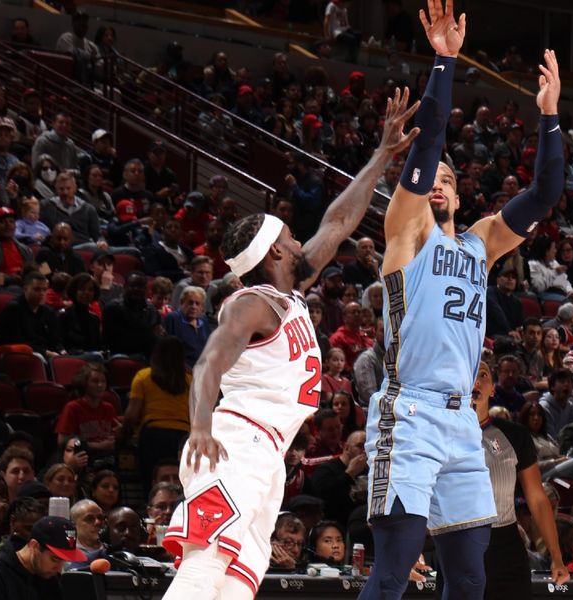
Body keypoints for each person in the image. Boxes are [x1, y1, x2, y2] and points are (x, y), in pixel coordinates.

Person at [159, 84, 420, 600]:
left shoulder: (291, 291)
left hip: (266, 453)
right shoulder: (250, 303)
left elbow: (340, 221)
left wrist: (382, 155)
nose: (302, 240)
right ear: (277, 249)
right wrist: (200, 427)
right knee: (203, 567)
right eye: (292, 237)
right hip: (232, 444)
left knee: (234, 585)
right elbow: (210, 360)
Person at [359, 3, 566, 595]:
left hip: (462, 424)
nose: (440, 185)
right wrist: (445, 61)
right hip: (411, 411)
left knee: (471, 574)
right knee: (395, 564)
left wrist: (549, 115)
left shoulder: (481, 244)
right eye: (434, 181)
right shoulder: (404, 235)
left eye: (451, 179)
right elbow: (425, 157)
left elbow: (546, 191)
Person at [471, 361, 568, 597]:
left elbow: (537, 498)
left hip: (506, 546)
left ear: (492, 388)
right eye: (469, 374)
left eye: (483, 374)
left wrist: (556, 556)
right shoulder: (441, 435)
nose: (475, 381)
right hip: (458, 545)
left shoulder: (515, 435)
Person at [123, 336, 191, 496]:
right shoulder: (191, 380)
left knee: (152, 485)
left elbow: (132, 414)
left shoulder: (143, 376)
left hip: (153, 437)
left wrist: (123, 433)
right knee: (182, 484)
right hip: (183, 438)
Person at [0, 515, 86, 598]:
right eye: (54, 559)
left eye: (64, 561)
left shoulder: (49, 577)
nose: (59, 568)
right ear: (34, 546)